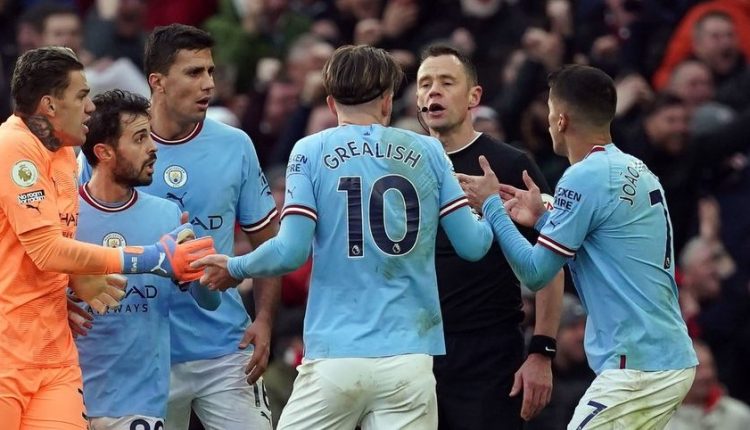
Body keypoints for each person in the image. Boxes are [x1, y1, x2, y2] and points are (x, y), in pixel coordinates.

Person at [193, 44, 494, 429]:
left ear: (331, 103)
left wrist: (235, 267)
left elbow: (290, 251)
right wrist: (492, 206)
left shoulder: (309, 150)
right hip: (409, 357)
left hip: (335, 356)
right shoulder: (429, 150)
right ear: (387, 100)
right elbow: (473, 245)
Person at [459, 64, 698, 428]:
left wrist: (492, 206)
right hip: (661, 356)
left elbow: (535, 273)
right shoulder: (633, 167)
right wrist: (542, 220)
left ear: (562, 120)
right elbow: (608, 245)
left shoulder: (583, 176)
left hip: (638, 367)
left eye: (551, 110)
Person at [78, 24, 281, 430]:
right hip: (145, 357)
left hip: (224, 347)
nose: (208, 84)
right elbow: (76, 237)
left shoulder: (235, 145)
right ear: (158, 81)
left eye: (210, 71)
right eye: (193, 72)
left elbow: (267, 242)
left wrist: (265, 320)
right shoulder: (107, 151)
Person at [0, 46, 214, 430]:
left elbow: (45, 241)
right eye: (82, 96)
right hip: (7, 354)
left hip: (55, 357)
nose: (89, 108)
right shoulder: (13, 147)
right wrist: (151, 258)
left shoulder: (65, 156)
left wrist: (72, 280)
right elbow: (46, 249)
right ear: (49, 105)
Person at [416, 44, 564, 428]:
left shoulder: (511, 164)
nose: (434, 91)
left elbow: (552, 261)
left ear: (473, 96)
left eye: (446, 82)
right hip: (413, 353)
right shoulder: (400, 167)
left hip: (488, 356)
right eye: (425, 84)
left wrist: (542, 351)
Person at [73, 89, 221, 430]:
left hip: (139, 400)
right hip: (67, 395)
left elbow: (209, 302)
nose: (153, 147)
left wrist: (201, 267)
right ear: (104, 152)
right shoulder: (65, 213)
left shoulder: (167, 214)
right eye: (140, 138)